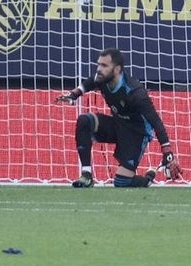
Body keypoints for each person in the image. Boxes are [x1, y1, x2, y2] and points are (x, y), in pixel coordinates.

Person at [56, 48, 182, 187]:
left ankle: (148, 178)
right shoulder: (102, 78)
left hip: (136, 133)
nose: (99, 69)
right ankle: (86, 175)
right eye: (98, 64)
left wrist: (167, 153)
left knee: (122, 182)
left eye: (104, 66)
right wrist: (74, 94)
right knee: (85, 121)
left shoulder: (135, 92)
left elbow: (156, 122)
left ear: (117, 69)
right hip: (117, 124)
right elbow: (90, 82)